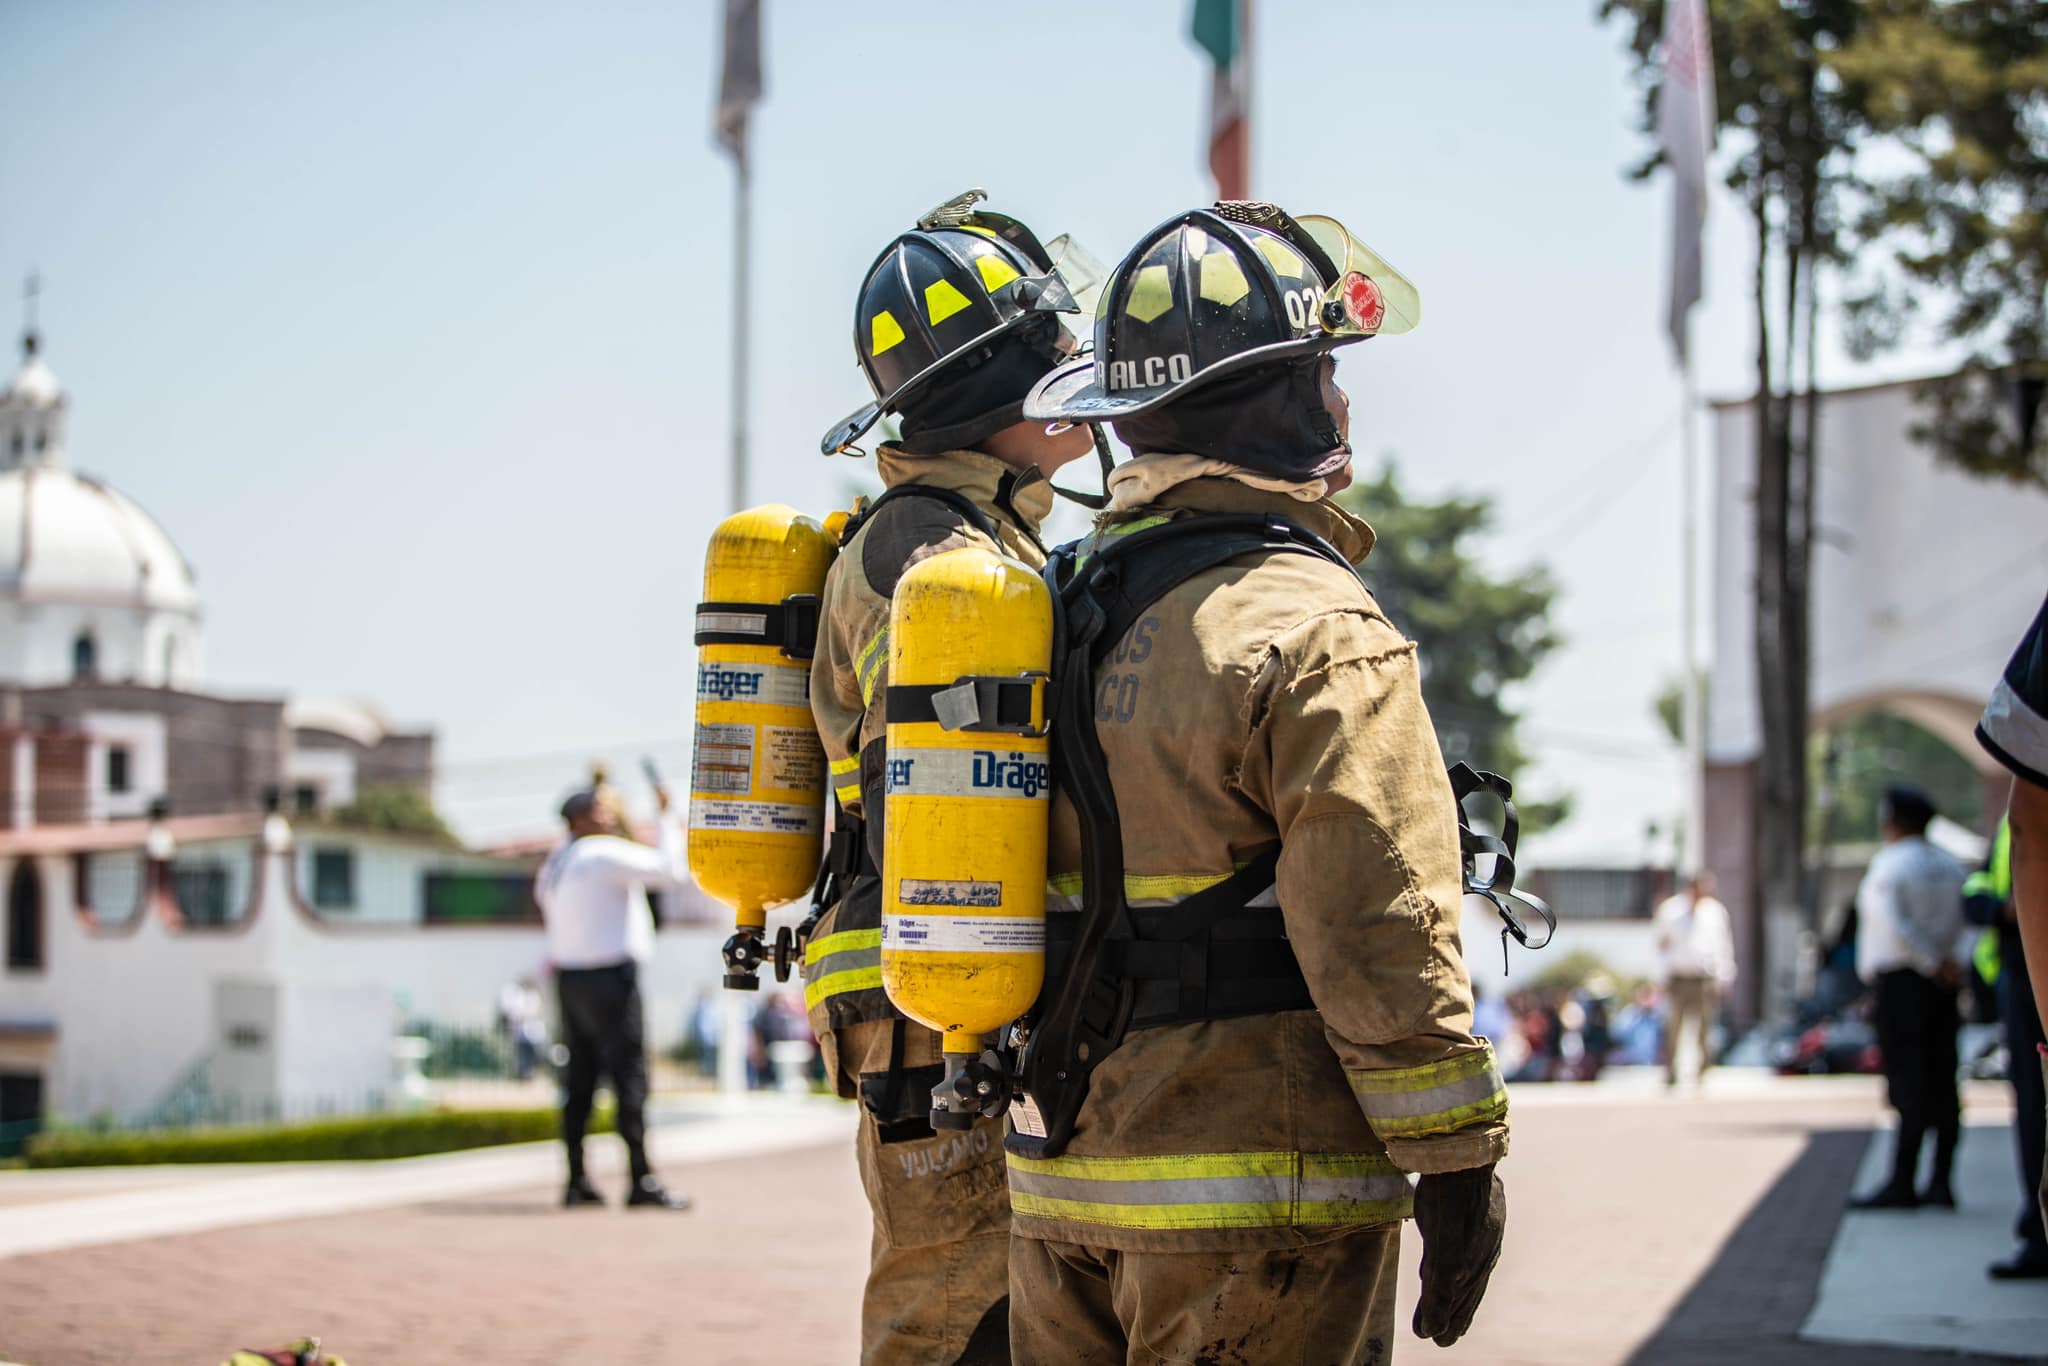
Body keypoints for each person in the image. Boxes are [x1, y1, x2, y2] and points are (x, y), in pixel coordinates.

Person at [1012, 203, 1506, 1361]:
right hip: (1255, 1199)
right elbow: (1378, 920)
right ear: (1278, 399)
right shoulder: (1315, 626)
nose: (1340, 400)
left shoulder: (1047, 605)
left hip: (1056, 1184)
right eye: (1323, 370)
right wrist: (1455, 1157)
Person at [806, 190, 1096, 1365]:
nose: (1084, 367)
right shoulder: (932, 555)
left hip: (941, 993)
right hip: (932, 1008)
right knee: (955, 1313)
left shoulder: (980, 534)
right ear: (999, 390)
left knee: (1004, 1304)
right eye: (1056, 348)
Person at [534, 784, 691, 1210]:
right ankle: (641, 1181)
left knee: (579, 1083)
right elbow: (671, 870)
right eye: (601, 809)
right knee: (630, 1080)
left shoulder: (557, 861)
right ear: (581, 818)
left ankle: (576, 1179)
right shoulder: (600, 852)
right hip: (610, 980)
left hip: (571, 980)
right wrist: (666, 816)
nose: (611, 815)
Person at [1849, 786, 1967, 1210]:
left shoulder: (1890, 865)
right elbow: (1971, 921)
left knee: (1908, 1083)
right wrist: (1952, 962)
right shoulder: (1952, 867)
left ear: (1893, 821)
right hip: (1944, 985)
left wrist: (1929, 960)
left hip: (1903, 985)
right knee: (1943, 1080)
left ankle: (1903, 1181)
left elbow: (1893, 924)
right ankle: (1940, 1180)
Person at [1977, 588, 2048, 1269]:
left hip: (2035, 974)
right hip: (2017, 967)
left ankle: (2038, 1237)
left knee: (2036, 1107)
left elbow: (2031, 822)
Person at [1965, 817, 2046, 1277]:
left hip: (2034, 977)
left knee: (2037, 1108)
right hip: (2022, 977)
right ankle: (2039, 1233)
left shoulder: (2032, 790)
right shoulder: (2016, 810)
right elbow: (1980, 886)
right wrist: (1998, 907)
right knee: (2033, 1109)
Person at [1653, 872, 1736, 1085]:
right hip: (1678, 977)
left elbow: (1723, 945)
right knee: (1673, 1026)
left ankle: (1703, 1070)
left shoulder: (1715, 912)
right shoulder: (1671, 911)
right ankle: (1671, 1070)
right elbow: (1660, 946)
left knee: (1705, 1027)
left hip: (1704, 977)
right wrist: (1661, 977)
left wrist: (1725, 975)